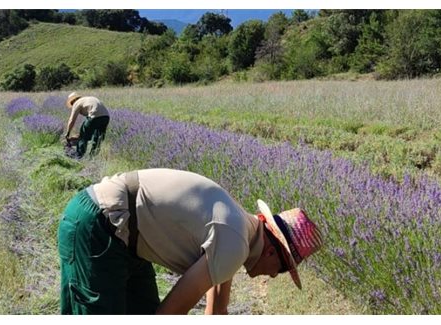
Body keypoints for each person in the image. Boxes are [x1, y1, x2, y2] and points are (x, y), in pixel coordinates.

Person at [57, 168, 323, 314]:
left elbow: (217, 309)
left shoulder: (239, 230)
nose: (275, 277)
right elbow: (171, 313)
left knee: (142, 310)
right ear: (271, 253)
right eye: (282, 269)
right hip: (100, 224)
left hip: (126, 237)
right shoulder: (235, 242)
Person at [64, 92, 110, 159]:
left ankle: (78, 156)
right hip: (106, 117)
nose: (72, 105)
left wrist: (68, 133)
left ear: (73, 100)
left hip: (94, 116)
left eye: (71, 103)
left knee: (83, 137)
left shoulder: (77, 103)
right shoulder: (87, 99)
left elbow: (72, 120)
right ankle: (93, 157)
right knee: (98, 138)